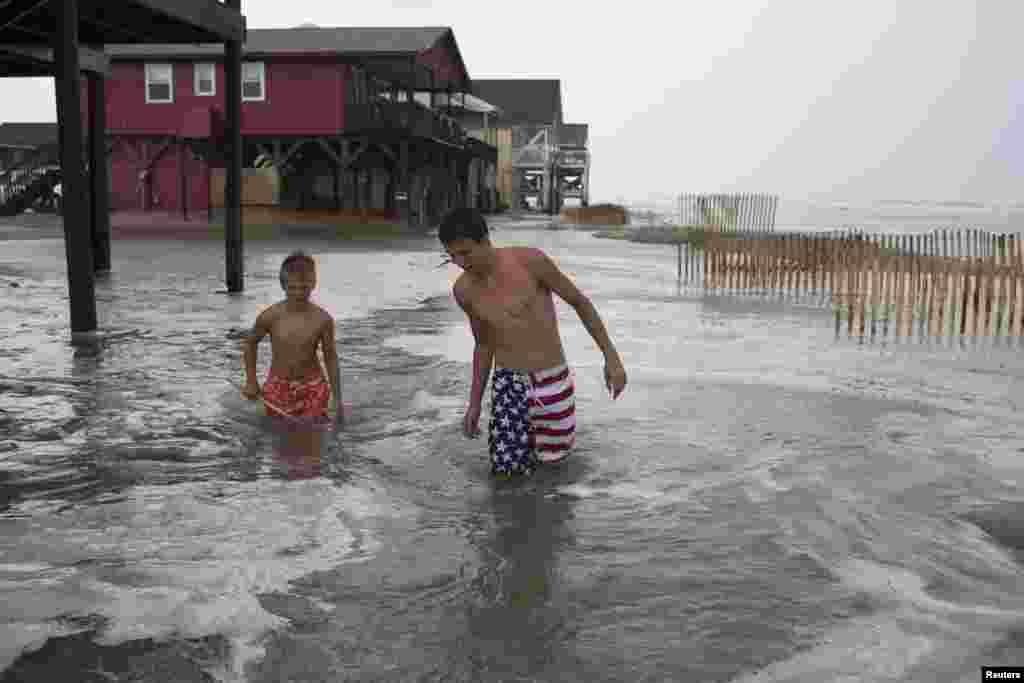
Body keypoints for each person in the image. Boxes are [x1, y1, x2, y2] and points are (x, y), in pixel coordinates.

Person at [439, 207, 627, 477]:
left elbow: (580, 302)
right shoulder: (464, 291)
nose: (460, 262)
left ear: (485, 239)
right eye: (452, 255)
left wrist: (612, 358)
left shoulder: (530, 262)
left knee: (555, 473)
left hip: (551, 381)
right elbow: (483, 344)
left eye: (465, 252)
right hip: (507, 385)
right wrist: (474, 404)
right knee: (505, 473)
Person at [241, 251, 343, 434]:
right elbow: (250, 344)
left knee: (311, 437)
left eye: (304, 288)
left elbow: (330, 357)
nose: (298, 293)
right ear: (283, 285)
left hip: (312, 386)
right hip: (277, 386)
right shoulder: (270, 316)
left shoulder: (322, 320)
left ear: (313, 284)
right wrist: (251, 381)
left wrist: (337, 399)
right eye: (292, 287)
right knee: (276, 438)